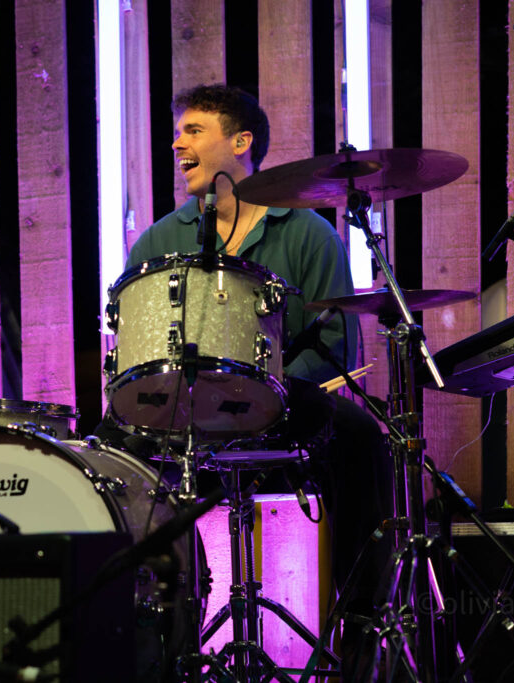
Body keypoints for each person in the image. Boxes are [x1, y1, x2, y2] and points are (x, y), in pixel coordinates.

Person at [101, 83, 391, 676]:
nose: (176, 143)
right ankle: (141, 633)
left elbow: (336, 345)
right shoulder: (157, 240)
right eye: (177, 132)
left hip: (283, 406)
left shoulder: (308, 232)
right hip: (180, 411)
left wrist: (267, 392)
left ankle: (363, 631)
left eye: (193, 130)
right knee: (104, 453)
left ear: (241, 143)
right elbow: (134, 345)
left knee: (362, 438)